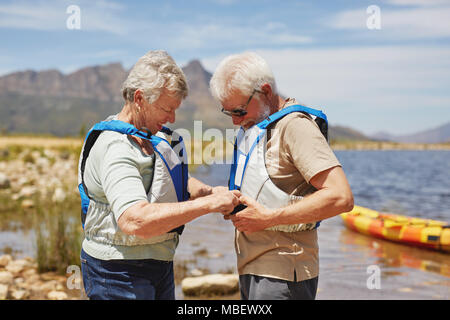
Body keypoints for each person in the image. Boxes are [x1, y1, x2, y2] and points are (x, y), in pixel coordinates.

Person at [77, 50, 240, 300]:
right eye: (166, 109)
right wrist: (208, 205)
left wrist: (209, 192)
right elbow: (135, 221)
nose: (172, 118)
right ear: (140, 98)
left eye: (175, 109)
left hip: (159, 263)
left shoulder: (158, 137)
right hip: (119, 272)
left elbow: (170, 179)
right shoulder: (115, 148)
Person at [209, 52, 354, 300]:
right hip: (253, 268)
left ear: (265, 91)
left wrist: (268, 218)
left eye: (239, 111)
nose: (234, 121)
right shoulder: (257, 126)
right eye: (228, 112)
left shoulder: (295, 126)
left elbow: (341, 197)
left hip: (283, 276)